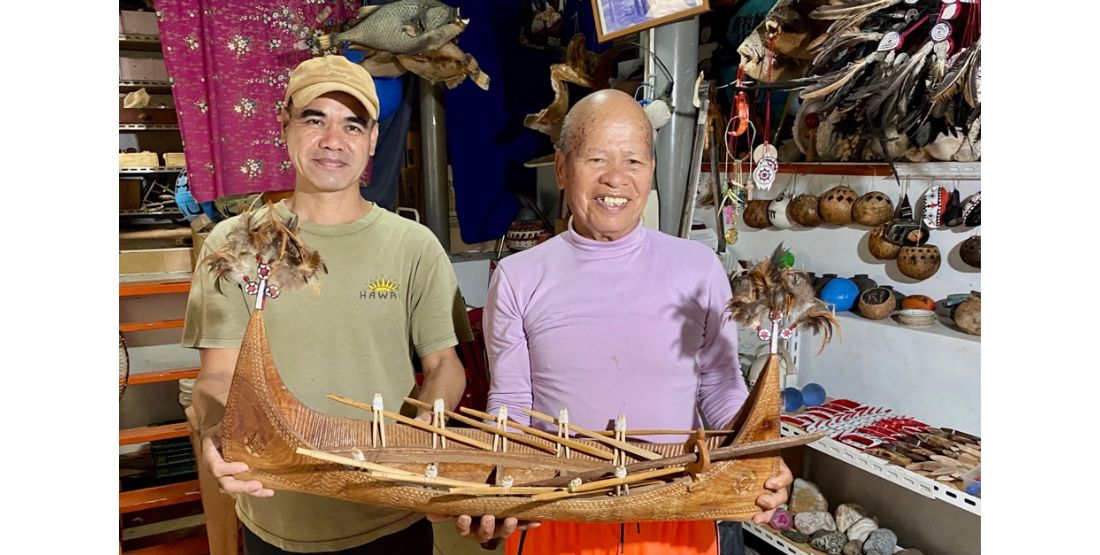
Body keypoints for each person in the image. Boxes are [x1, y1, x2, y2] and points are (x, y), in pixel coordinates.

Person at [465, 89, 793, 554]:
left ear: (651, 172)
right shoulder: (519, 277)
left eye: (634, 162)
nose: (615, 178)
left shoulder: (697, 268)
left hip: (677, 508)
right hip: (560, 511)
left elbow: (720, 385)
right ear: (561, 169)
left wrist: (757, 454)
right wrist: (494, 480)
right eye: (596, 159)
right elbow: (513, 402)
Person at [182, 55, 470, 554]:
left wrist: (430, 424)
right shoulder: (237, 243)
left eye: (352, 124)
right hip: (276, 511)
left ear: (374, 139)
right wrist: (216, 430)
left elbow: (445, 363)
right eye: (314, 119)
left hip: (389, 512)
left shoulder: (413, 245)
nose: (333, 140)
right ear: (284, 125)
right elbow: (218, 376)